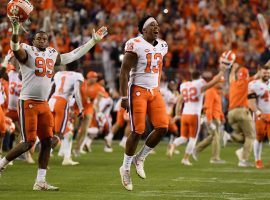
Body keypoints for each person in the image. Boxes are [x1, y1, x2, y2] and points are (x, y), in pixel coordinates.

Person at [0, 16, 107, 190]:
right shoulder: (26, 50)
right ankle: (1, 164)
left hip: (44, 103)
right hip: (27, 101)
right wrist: (15, 30)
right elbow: (14, 47)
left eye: (45, 38)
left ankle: (40, 181)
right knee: (28, 142)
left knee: (48, 141)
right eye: (39, 38)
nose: (42, 40)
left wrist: (93, 42)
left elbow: (71, 56)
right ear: (33, 40)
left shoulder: (51, 53)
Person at [119, 16, 169, 191]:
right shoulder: (135, 44)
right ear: (144, 29)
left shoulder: (163, 45)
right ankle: (125, 168)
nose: (156, 27)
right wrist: (124, 97)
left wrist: (157, 86)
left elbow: (159, 67)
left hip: (154, 91)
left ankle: (140, 157)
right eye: (152, 25)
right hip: (138, 90)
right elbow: (124, 72)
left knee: (163, 126)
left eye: (157, 25)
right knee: (137, 130)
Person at [168, 65, 226, 166]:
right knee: (192, 139)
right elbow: (214, 82)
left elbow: (179, 101)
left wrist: (177, 114)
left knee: (183, 137)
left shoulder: (185, 85)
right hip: (194, 115)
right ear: (199, 77)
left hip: (185, 114)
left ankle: (173, 144)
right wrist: (222, 71)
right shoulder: (200, 84)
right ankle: (185, 159)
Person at [48, 70, 84, 165]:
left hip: (51, 101)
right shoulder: (77, 75)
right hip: (61, 103)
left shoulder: (59, 73)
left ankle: (66, 158)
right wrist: (81, 109)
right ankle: (45, 156)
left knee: (67, 134)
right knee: (58, 134)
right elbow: (76, 92)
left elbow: (52, 87)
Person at [228, 63, 259, 167]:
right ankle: (243, 160)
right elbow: (258, 75)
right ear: (246, 75)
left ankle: (229, 136)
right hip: (241, 111)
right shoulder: (246, 82)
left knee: (243, 136)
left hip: (231, 113)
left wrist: (233, 69)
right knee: (251, 136)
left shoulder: (233, 83)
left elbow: (231, 77)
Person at [193, 77, 226, 164]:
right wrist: (209, 119)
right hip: (212, 118)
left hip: (216, 117)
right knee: (216, 137)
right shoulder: (210, 91)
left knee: (213, 136)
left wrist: (222, 116)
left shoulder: (217, 92)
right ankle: (215, 158)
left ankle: (196, 149)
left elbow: (217, 107)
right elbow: (208, 106)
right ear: (216, 82)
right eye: (221, 82)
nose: (222, 83)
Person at [248, 61, 270, 169]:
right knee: (259, 138)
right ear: (259, 72)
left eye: (268, 73)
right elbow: (251, 103)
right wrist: (259, 113)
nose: (266, 75)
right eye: (264, 73)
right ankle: (258, 160)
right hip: (260, 116)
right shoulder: (253, 84)